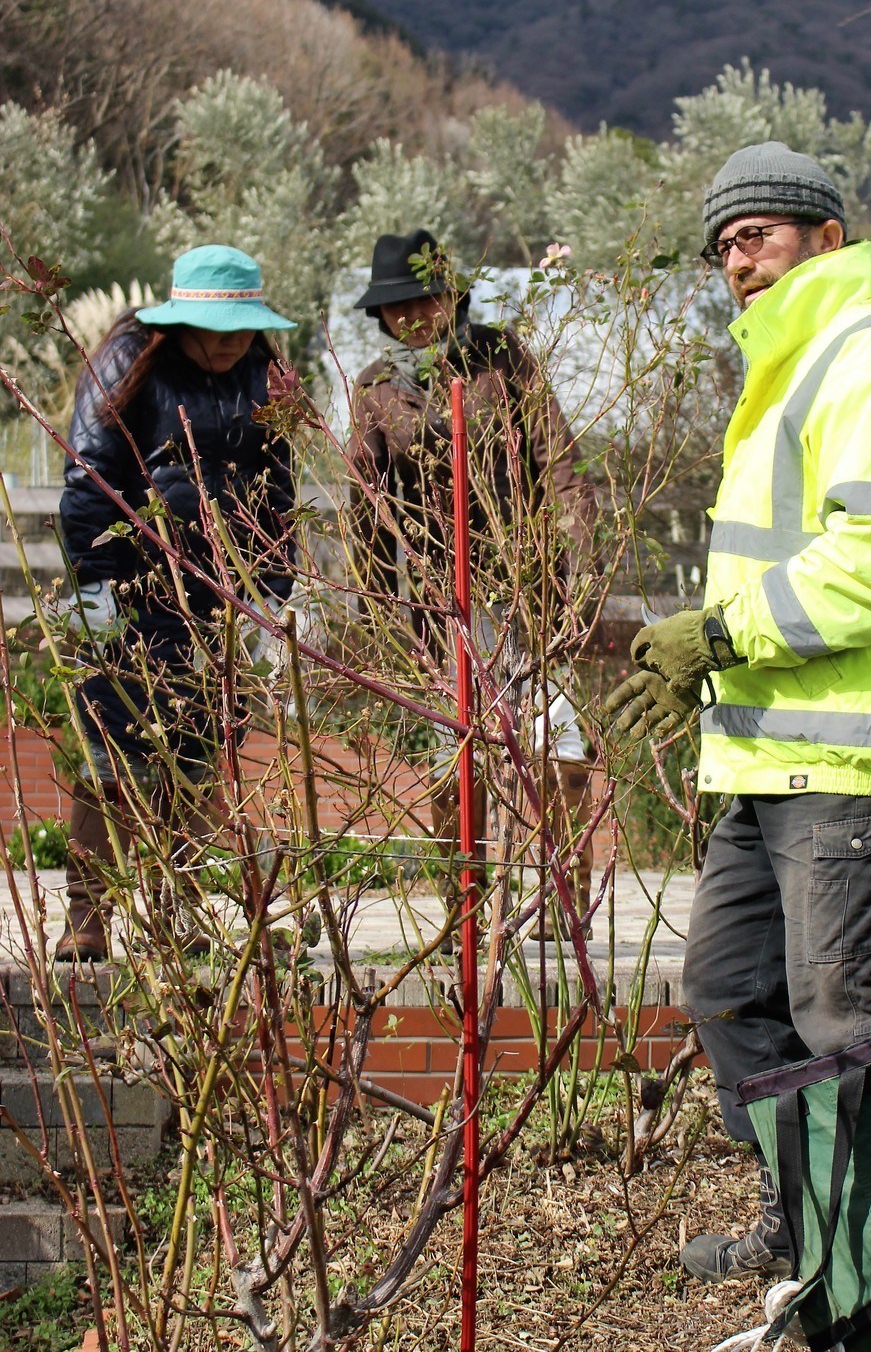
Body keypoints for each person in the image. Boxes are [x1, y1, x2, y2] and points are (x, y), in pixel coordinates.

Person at [605, 142, 871, 1281]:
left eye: (758, 233)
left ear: (827, 235)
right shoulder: (790, 369)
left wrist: (714, 637)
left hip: (854, 768)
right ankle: (814, 1229)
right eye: (723, 246)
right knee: (729, 998)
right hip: (772, 762)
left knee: (852, 1024)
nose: (737, 261)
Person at [345, 228, 597, 932]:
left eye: (422, 299)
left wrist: (580, 562)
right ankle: (467, 902)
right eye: (396, 306)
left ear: (448, 296)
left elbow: (558, 460)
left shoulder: (502, 358)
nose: (410, 316)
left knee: (554, 732)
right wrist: (374, 605)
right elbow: (364, 504)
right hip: (435, 597)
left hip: (523, 584)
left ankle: (559, 893)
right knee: (453, 745)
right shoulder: (374, 388)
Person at [55, 244, 298, 963]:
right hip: (132, 586)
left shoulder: (264, 372)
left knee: (195, 759)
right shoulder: (129, 363)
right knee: (114, 757)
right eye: (213, 332)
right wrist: (94, 585)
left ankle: (180, 913)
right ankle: (86, 917)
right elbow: (88, 480)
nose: (227, 346)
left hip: (221, 597)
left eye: (239, 331)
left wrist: (278, 597)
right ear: (177, 322)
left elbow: (277, 492)